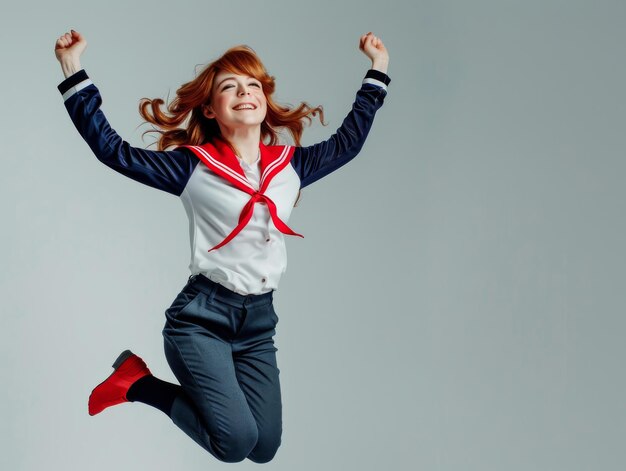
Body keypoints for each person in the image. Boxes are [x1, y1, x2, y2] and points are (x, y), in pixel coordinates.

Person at [54, 29, 390, 463]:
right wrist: (71, 67)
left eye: (253, 86)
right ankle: (137, 383)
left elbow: (350, 141)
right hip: (201, 320)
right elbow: (112, 150)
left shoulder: (293, 165)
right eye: (230, 87)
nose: (245, 92)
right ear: (211, 109)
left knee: (264, 448)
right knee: (233, 444)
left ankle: (142, 382)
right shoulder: (192, 168)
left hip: (258, 324)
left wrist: (377, 69)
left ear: (265, 102)